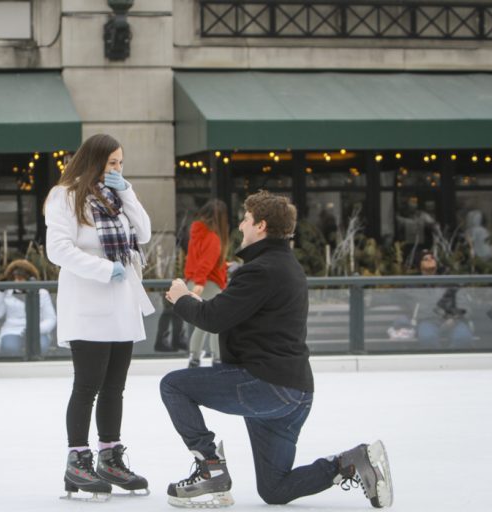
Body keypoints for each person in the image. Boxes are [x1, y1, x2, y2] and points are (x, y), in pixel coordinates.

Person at [161, 190, 393, 509]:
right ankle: (351, 463)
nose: (240, 226)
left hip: (267, 386)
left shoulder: (261, 270)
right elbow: (231, 313)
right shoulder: (283, 266)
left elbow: (212, 319)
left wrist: (181, 297)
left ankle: (210, 468)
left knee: (173, 386)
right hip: (294, 393)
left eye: (245, 220)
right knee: (275, 489)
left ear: (261, 226)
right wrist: (199, 303)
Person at [45, 133, 153, 499]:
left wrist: (128, 191)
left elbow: (145, 232)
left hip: (121, 304)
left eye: (121, 163)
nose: (117, 169)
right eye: (112, 164)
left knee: (114, 387)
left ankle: (110, 456)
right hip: (88, 302)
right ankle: (77, 460)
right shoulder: (65, 196)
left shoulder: (117, 197)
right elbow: (58, 249)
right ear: (94, 161)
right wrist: (103, 270)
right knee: (88, 383)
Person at [184, 199, 229, 367]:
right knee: (217, 323)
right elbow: (206, 262)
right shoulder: (212, 237)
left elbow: (198, 259)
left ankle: (194, 357)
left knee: (203, 324)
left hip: (195, 281)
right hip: (206, 284)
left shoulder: (197, 234)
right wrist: (201, 282)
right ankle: (217, 357)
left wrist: (223, 266)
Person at [0, 259, 56, 356]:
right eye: (16, 277)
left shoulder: (41, 292)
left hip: (38, 331)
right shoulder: (7, 292)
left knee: (41, 347)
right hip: (12, 330)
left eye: (22, 278)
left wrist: (38, 329)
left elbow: (50, 318)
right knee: (10, 348)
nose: (18, 281)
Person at [412, 250, 473, 349]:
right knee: (428, 338)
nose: (430, 260)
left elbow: (464, 304)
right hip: (428, 322)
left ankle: (453, 363)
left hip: (454, 321)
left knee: (463, 338)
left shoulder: (449, 281)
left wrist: (454, 318)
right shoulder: (415, 285)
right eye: (425, 259)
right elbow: (415, 309)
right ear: (420, 264)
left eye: (432, 258)